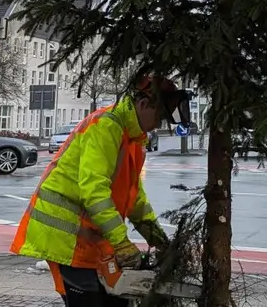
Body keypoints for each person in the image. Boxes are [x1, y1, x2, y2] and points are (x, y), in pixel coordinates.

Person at [10, 74, 191, 306]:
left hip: (91, 239)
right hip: (68, 238)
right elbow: (95, 192)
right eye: (159, 117)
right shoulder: (106, 127)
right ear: (143, 104)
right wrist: (122, 244)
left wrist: (159, 240)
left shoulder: (133, 139)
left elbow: (135, 199)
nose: (159, 124)